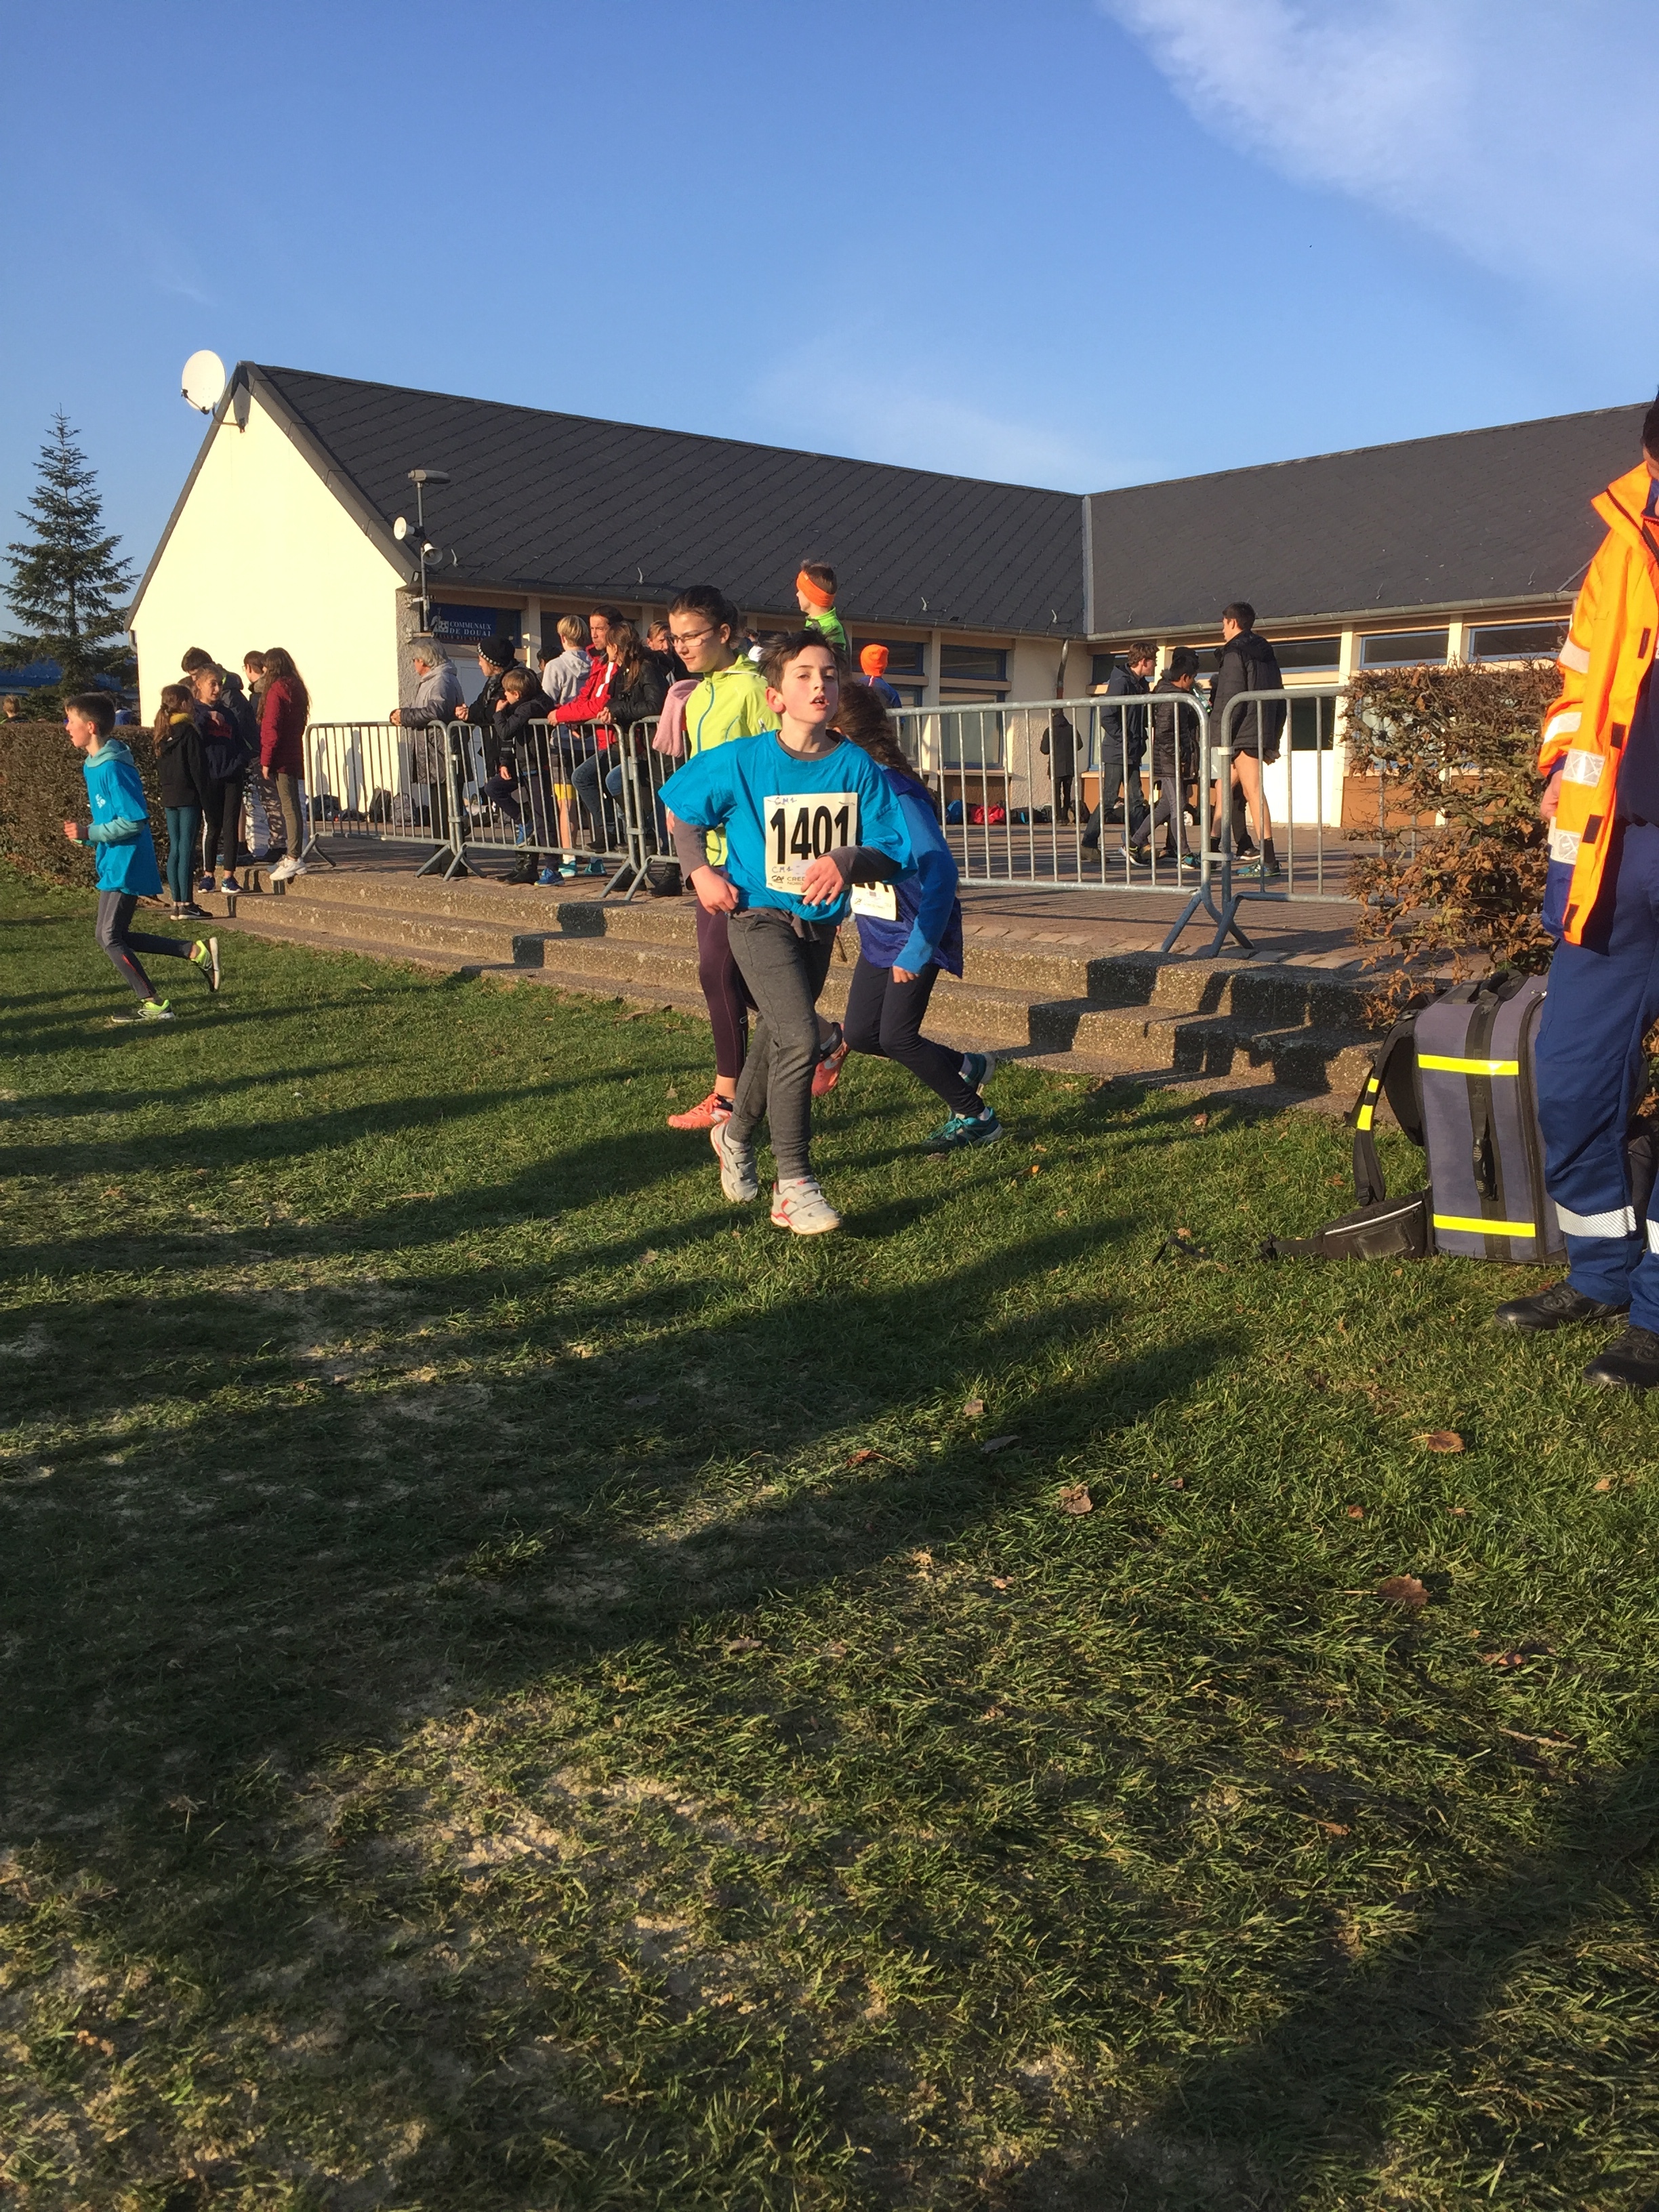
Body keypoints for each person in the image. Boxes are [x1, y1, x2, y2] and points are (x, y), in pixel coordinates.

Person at [1496, 396, 1659, 1390]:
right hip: (1615, 858)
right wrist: (1560, 764)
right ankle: (1601, 1270)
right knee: (1570, 1077)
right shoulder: (1624, 540)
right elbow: (1580, 680)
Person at [659, 632, 914, 1235]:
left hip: (818, 925)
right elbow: (681, 813)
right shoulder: (743, 760)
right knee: (802, 1036)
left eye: (828, 675)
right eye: (804, 675)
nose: (819, 685)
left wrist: (846, 860)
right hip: (756, 916)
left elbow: (892, 847)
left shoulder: (856, 765)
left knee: (779, 1033)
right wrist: (699, 873)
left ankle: (734, 1134)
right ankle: (794, 1184)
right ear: (775, 698)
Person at [833, 682, 1002, 1149]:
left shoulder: (895, 789)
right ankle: (968, 1065)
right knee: (862, 1034)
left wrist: (917, 950)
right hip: (879, 929)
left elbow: (941, 872)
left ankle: (978, 1117)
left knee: (898, 1037)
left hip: (916, 927)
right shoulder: (853, 787)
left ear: (840, 736)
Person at [660, 585, 779, 1131]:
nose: (681, 646)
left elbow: (779, 762)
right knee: (728, 976)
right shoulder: (696, 695)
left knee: (717, 972)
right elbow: (702, 768)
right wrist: (682, 803)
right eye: (675, 638)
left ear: (725, 633)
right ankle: (824, 1037)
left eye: (691, 636)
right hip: (708, 853)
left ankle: (726, 1098)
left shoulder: (754, 689)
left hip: (748, 856)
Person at [62, 690, 220, 1019]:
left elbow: (134, 821)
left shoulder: (113, 768)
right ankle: (193, 950)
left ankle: (154, 1003)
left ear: (90, 727)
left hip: (128, 861)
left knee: (109, 936)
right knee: (111, 935)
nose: (66, 727)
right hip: (113, 860)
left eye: (71, 721)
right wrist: (88, 837)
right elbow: (111, 820)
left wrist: (90, 833)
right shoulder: (93, 765)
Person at [1210, 602, 1284, 880]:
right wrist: (1273, 736)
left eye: (1223, 623)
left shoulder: (1235, 653)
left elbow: (1231, 699)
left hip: (1243, 732)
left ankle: (1269, 860)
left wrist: (1221, 738)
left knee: (1253, 791)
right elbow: (1280, 695)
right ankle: (1212, 850)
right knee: (1223, 785)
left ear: (1232, 622)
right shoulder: (1266, 653)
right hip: (1259, 728)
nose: (1222, 629)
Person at [554, 607, 628, 863]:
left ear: (614, 631)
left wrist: (561, 715)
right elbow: (586, 697)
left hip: (622, 741)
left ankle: (614, 833)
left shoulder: (616, 663)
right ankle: (614, 835)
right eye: (592, 628)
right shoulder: (598, 661)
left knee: (589, 779)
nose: (594, 634)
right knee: (594, 781)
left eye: (600, 628)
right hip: (604, 739)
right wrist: (573, 718)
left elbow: (599, 703)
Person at [1130, 647, 1203, 867]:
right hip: (1168, 760)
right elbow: (1163, 733)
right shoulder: (1171, 699)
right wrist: (1179, 754)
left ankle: (1134, 842)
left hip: (1173, 759)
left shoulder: (1180, 696)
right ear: (1184, 677)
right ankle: (1184, 854)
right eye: (1193, 679)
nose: (1193, 683)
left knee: (1165, 805)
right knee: (1177, 804)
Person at [1080, 643, 1155, 851]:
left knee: (1136, 798)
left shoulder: (1140, 684)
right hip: (1117, 751)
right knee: (1109, 798)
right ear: (1144, 662)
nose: (1155, 665)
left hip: (1132, 751)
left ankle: (1138, 842)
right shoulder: (1121, 682)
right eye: (1153, 661)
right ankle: (1088, 843)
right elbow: (1107, 716)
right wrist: (1126, 738)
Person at [190, 663, 252, 895]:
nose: (217, 689)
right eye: (212, 684)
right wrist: (207, 717)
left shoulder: (228, 714)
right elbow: (193, 737)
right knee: (213, 825)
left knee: (230, 824)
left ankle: (229, 876)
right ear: (199, 685)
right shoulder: (194, 713)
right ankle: (208, 875)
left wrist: (240, 762)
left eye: (219, 685)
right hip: (209, 778)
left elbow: (240, 743)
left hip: (231, 776)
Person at [153, 682, 213, 918]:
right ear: (185, 703)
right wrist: (208, 801)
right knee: (186, 847)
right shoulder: (189, 732)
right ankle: (187, 902)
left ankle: (177, 902)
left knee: (176, 847)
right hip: (188, 796)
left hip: (170, 796)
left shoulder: (162, 733)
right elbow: (198, 770)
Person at [391, 636, 464, 832]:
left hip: (441, 752)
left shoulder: (441, 680)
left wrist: (405, 716)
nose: (414, 664)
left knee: (446, 810)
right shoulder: (432, 680)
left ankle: (449, 850)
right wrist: (400, 715)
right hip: (435, 753)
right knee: (440, 810)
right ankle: (442, 849)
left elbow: (436, 711)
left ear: (422, 661)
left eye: (414, 660)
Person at [260, 647, 311, 882]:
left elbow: (271, 727)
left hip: (280, 756)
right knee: (294, 806)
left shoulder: (276, 690)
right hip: (293, 751)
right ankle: (294, 854)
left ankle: (293, 856)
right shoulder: (296, 687)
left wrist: (266, 761)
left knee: (288, 806)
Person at [796, 562, 849, 657]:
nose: (797, 594)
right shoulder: (818, 622)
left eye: (800, 590)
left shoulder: (830, 629)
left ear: (810, 595)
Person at [539, 615, 590, 707]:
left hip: (563, 714)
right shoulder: (596, 665)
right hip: (591, 714)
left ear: (563, 637)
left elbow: (547, 701)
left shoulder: (554, 665)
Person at [1040, 706, 1078, 823]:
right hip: (1069, 766)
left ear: (1052, 714)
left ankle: (1058, 817)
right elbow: (1079, 745)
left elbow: (1044, 749)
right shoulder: (1071, 729)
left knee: (1056, 793)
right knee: (1067, 793)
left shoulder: (1050, 730)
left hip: (1055, 766)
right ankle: (1066, 816)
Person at [857, 642, 903, 711]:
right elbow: (899, 716)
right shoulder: (890, 691)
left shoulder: (856, 686)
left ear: (863, 662)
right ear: (885, 664)